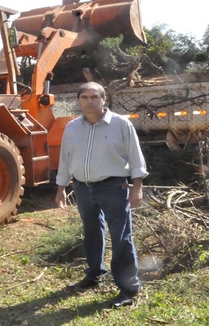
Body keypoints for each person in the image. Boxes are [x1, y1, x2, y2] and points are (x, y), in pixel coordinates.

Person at [54, 82, 148, 308]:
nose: (89, 101)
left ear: (104, 99)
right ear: (78, 100)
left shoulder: (120, 124)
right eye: (84, 97)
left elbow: (135, 157)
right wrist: (61, 188)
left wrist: (137, 187)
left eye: (94, 97)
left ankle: (128, 288)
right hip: (83, 188)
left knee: (121, 237)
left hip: (114, 187)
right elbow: (65, 159)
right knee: (91, 233)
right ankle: (94, 274)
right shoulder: (72, 127)